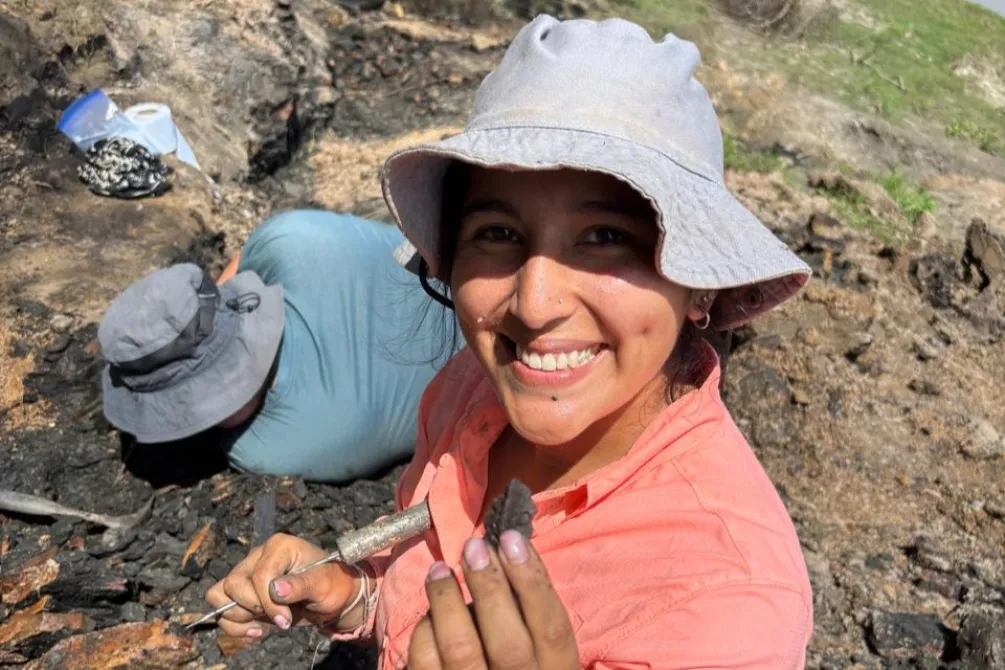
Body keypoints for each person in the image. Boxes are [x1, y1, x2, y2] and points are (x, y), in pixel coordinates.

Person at [205, 16, 814, 669]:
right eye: (497, 233)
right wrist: (356, 599)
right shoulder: (471, 386)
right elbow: (414, 599)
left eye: (605, 236)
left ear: (698, 286)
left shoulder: (726, 609)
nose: (532, 303)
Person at [98, 211, 457, 482]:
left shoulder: (269, 446)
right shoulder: (286, 237)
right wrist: (208, 320)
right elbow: (244, 262)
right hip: (483, 272)